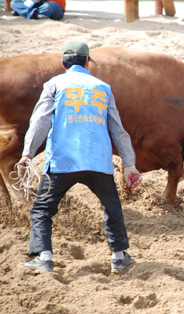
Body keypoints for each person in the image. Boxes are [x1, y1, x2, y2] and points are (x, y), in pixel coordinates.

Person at [18, 41, 143, 273]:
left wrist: (27, 154)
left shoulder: (54, 84)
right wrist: (130, 164)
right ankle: (118, 257)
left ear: (63, 63)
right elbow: (118, 130)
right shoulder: (103, 87)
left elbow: (40, 122)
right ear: (87, 62)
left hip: (62, 161)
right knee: (111, 207)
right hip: (98, 162)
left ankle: (43, 257)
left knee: (42, 209)